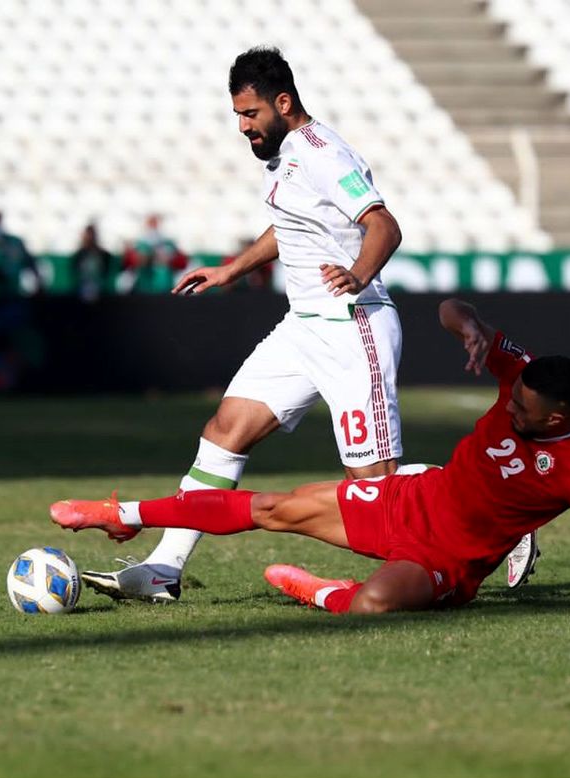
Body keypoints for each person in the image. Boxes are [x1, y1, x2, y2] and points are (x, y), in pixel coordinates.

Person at [52, 299, 570, 616]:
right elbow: (449, 307)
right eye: (511, 398)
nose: (511, 409)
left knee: (372, 605)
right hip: (407, 501)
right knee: (274, 507)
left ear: (558, 418)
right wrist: (469, 325)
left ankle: (321, 591)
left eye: (524, 410)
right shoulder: (522, 372)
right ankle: (124, 512)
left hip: (451, 559)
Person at [73, 46, 405, 603]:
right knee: (226, 430)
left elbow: (383, 225)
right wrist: (233, 269)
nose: (244, 127)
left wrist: (357, 272)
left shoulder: (325, 153)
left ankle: (491, 511)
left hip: (354, 325)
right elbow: (291, 228)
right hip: (302, 326)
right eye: (238, 117)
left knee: (372, 485)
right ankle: (163, 570)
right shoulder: (287, 158)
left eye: (250, 115)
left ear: (283, 102)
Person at [118, 214, 187, 294]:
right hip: (143, 284)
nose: (153, 226)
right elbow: (135, 260)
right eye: (151, 223)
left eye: (155, 223)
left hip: (165, 284)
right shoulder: (140, 244)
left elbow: (178, 260)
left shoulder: (167, 242)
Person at [69, 223, 113, 302]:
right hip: (82, 285)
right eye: (87, 235)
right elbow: (74, 271)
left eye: (91, 235)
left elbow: (106, 271)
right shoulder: (79, 254)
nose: (89, 237)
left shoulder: (103, 254)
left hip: (98, 286)